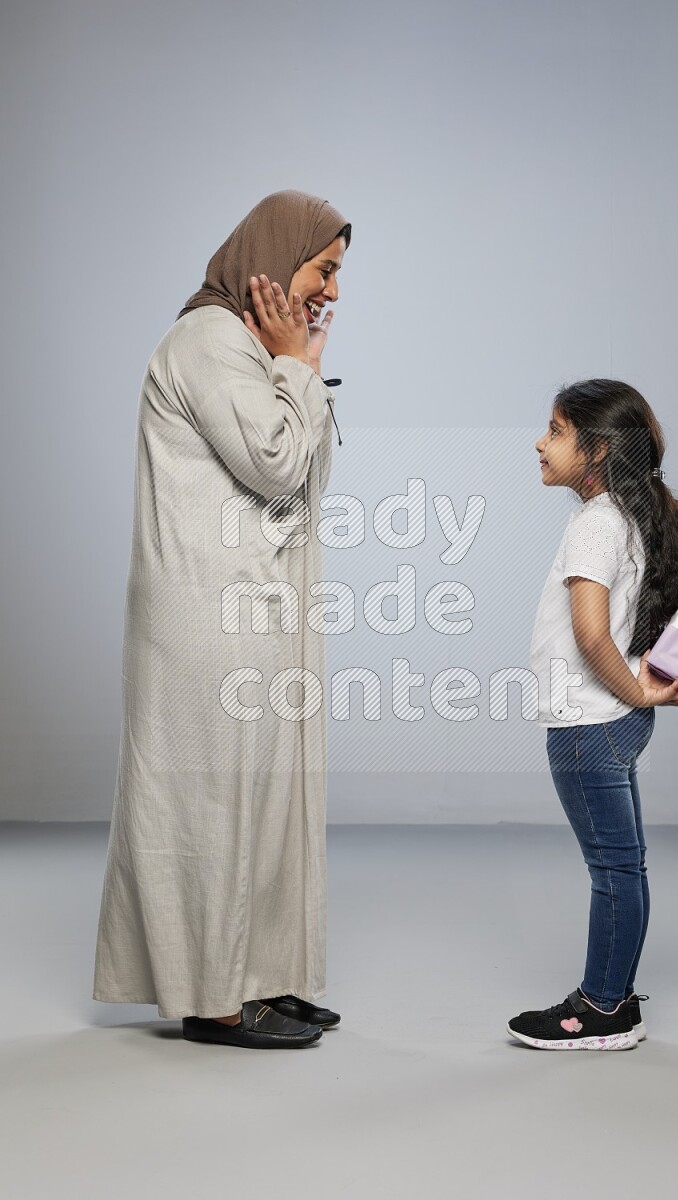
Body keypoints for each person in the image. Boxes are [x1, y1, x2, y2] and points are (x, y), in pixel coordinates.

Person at [92, 189, 352, 1050]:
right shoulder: (207, 340)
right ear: (275, 260)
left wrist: (292, 364)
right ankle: (210, 998)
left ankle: (259, 976)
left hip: (255, 602)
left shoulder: (249, 348)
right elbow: (277, 464)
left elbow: (303, 479)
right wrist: (299, 367)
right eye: (324, 269)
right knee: (209, 800)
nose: (333, 292)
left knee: (268, 795)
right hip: (206, 613)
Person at [507, 379, 678, 1051]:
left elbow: (593, 636)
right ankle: (614, 1000)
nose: (540, 441)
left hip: (588, 725)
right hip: (612, 725)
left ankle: (602, 1010)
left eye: (556, 430)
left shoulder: (597, 525)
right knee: (626, 866)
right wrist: (645, 694)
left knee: (614, 870)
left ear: (596, 451)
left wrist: (640, 692)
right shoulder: (626, 514)